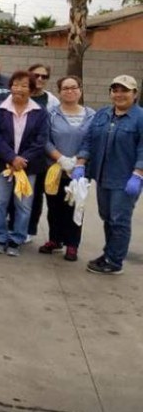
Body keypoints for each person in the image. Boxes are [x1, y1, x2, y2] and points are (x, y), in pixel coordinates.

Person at [75, 75, 143, 275]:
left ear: (135, 93)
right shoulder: (103, 114)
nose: (119, 94)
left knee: (119, 219)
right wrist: (81, 163)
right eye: (115, 90)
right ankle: (109, 253)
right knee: (107, 217)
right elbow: (89, 140)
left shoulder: (140, 118)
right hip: (102, 176)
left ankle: (114, 261)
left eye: (125, 90)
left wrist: (138, 174)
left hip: (125, 179)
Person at [0, 70, 49, 257]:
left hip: (27, 166)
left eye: (24, 85)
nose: (18, 89)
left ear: (31, 89)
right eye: (15, 84)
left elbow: (41, 140)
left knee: (23, 205)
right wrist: (11, 158)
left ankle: (16, 239)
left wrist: (22, 159)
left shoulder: (40, 112)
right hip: (3, 164)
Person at [39, 76, 95, 261]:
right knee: (54, 207)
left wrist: (78, 162)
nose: (69, 91)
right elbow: (45, 140)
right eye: (65, 88)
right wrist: (61, 159)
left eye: (74, 87)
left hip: (79, 169)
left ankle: (72, 244)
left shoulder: (91, 115)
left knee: (75, 206)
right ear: (59, 92)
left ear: (80, 90)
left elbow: (91, 141)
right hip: (55, 168)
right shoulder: (52, 114)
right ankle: (55, 240)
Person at [24, 63, 61, 241]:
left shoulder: (51, 101)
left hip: (42, 156)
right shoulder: (20, 94)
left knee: (36, 194)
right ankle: (15, 225)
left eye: (44, 76)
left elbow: (53, 129)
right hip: (19, 154)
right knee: (18, 193)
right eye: (36, 75)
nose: (39, 79)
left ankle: (29, 229)